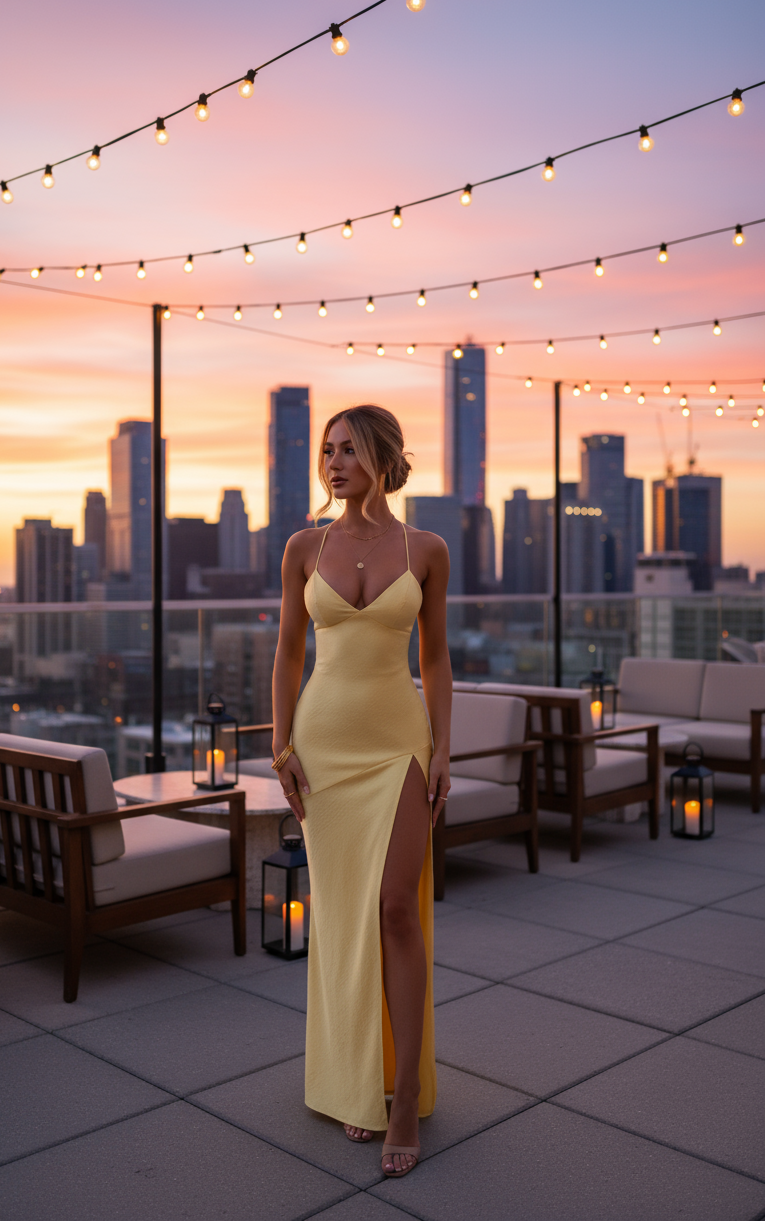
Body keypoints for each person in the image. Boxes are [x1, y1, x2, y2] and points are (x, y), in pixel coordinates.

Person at [271, 404, 452, 1179]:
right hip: (323, 746)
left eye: (348, 450)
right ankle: (353, 1078)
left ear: (381, 456)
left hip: (398, 747)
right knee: (343, 918)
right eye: (326, 450)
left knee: (395, 910)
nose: (333, 463)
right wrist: (279, 744)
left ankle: (404, 1092)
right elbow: (285, 652)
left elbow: (437, 658)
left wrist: (445, 747)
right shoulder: (303, 546)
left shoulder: (428, 548)